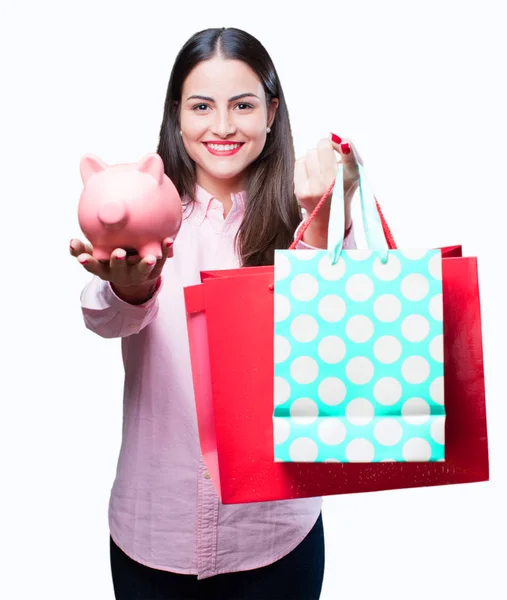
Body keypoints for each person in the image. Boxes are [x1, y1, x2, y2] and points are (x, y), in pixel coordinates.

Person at [70, 27, 362, 600]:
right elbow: (104, 316)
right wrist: (130, 289)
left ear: (272, 113)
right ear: (176, 115)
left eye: (244, 105)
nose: (223, 126)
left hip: (276, 535)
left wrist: (327, 217)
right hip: (154, 531)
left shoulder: (307, 219)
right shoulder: (142, 213)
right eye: (202, 106)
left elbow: (331, 331)